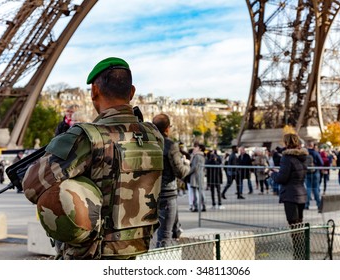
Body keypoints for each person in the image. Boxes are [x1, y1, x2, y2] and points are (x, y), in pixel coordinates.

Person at [22, 57, 164, 260]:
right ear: (132, 92)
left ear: (94, 91)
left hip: (91, 255)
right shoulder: (154, 135)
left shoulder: (87, 137)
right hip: (136, 250)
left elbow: (31, 186)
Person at [152, 113, 190, 247]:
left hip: (149, 193)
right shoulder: (169, 145)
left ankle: (177, 229)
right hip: (166, 193)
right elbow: (180, 171)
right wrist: (187, 165)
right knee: (164, 236)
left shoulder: (147, 143)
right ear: (167, 128)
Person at [269, 133, 308, 259]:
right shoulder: (302, 157)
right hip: (301, 193)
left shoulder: (286, 158)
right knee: (299, 225)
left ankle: (298, 255)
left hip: (291, 195)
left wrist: (272, 174)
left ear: (286, 143)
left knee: (294, 226)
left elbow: (282, 178)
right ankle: (301, 253)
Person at [304, 140, 323, 210]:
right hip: (315, 172)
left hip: (306, 173)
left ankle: (306, 204)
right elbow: (321, 163)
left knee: (308, 188)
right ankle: (319, 204)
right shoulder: (315, 153)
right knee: (316, 189)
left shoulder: (304, 154)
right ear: (312, 146)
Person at [188, 143, 206, 212]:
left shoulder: (196, 156)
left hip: (195, 175)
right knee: (201, 191)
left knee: (195, 192)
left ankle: (195, 207)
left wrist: (188, 172)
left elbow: (194, 167)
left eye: (196, 147)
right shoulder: (203, 155)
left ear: (200, 148)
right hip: (200, 175)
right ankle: (203, 205)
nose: (194, 148)